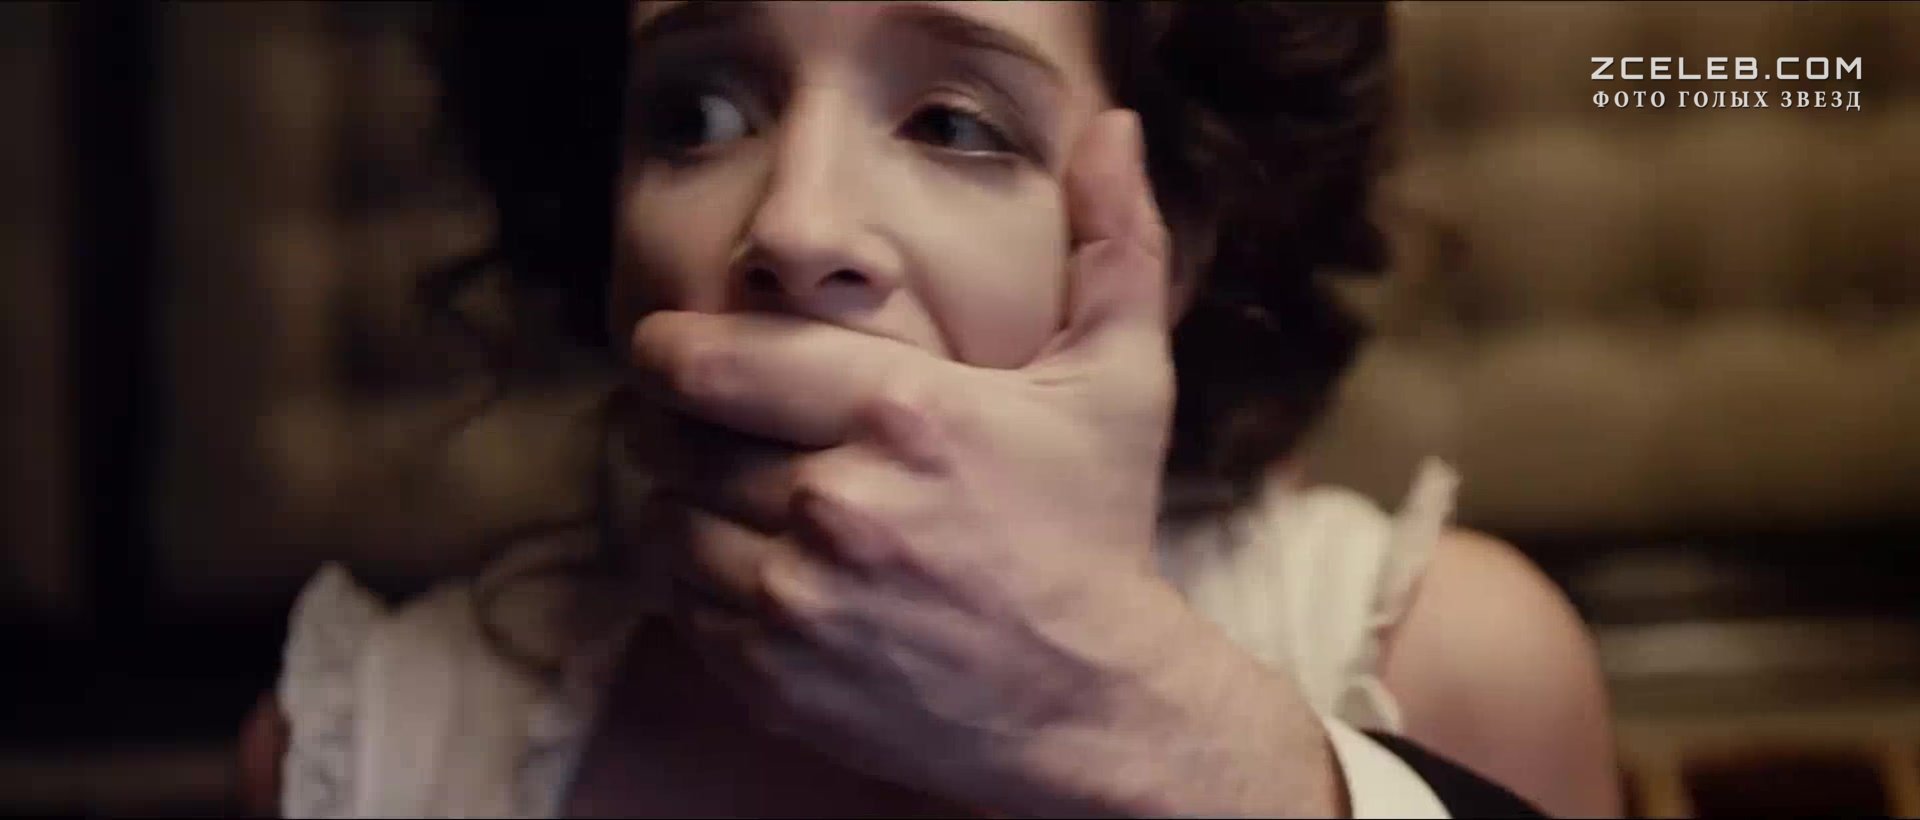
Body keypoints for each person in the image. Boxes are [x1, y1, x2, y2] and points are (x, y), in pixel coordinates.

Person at [237, 2, 1621, 817]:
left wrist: (1143, 724)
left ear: (1166, 244)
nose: (795, 225)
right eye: (697, 114)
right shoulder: (370, 756)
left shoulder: (1451, 674)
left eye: (955, 125)